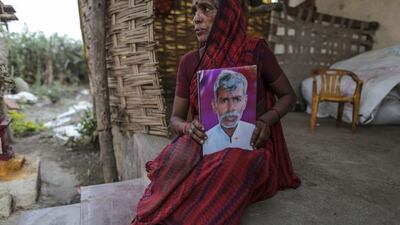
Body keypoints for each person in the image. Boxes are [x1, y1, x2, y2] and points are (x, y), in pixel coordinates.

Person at [131, 0, 300, 224]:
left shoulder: (256, 50)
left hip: (249, 144)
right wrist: (188, 127)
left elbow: (289, 96)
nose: (196, 18)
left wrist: (266, 121)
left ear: (229, 14)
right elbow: (176, 119)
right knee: (177, 157)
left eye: (206, 8)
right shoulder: (189, 62)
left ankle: (184, 217)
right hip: (206, 138)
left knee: (230, 163)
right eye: (194, 11)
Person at [203, 69, 255, 155]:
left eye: (236, 99)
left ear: (245, 102)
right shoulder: (206, 140)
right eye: (224, 100)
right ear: (214, 105)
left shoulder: (254, 133)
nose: (230, 108)